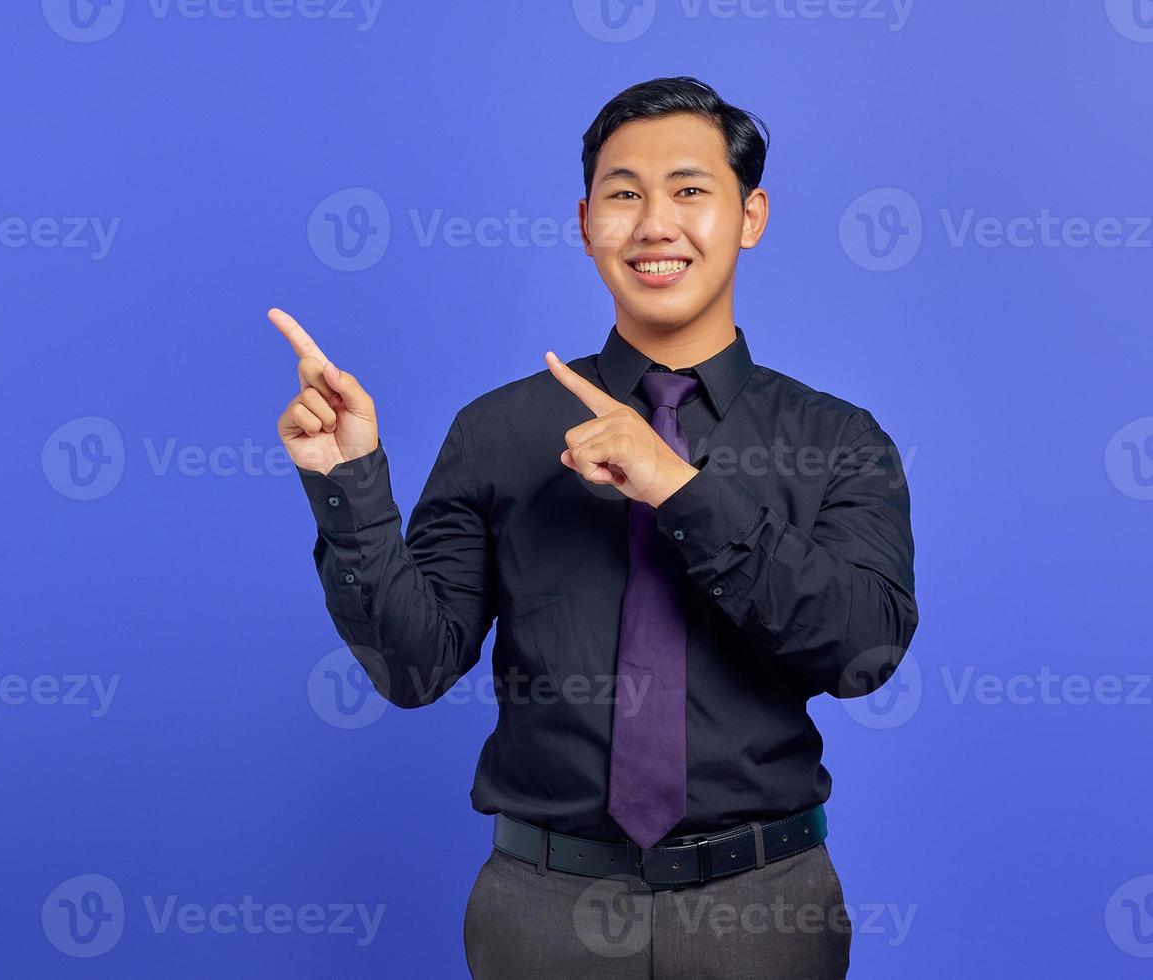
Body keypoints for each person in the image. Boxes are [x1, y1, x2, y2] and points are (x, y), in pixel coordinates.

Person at [270, 75, 917, 978]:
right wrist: (349, 486)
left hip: (764, 908)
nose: (655, 224)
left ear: (751, 215)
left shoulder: (838, 439)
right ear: (586, 224)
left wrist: (679, 489)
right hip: (542, 913)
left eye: (690, 191)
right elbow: (412, 667)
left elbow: (862, 651)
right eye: (624, 194)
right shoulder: (498, 432)